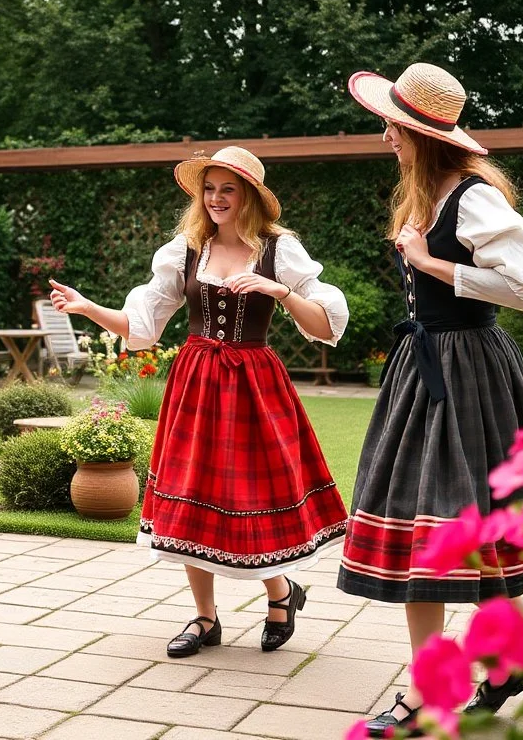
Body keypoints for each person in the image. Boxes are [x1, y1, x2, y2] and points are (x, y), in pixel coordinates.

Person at [336, 64, 523, 737]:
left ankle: (424, 699)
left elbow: (521, 289)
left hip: (467, 375)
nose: (385, 135)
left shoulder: (472, 199)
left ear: (422, 136)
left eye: (394, 126)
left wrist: (430, 262)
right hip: (425, 370)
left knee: (432, 539)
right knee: (448, 532)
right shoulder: (427, 196)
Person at [50, 146, 350, 657]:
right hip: (195, 383)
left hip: (255, 385)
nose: (215, 199)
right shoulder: (186, 250)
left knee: (252, 495)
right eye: (208, 189)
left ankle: (280, 594)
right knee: (191, 494)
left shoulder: (279, 251)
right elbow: (142, 328)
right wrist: (87, 307)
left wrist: (277, 291)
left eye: (227, 189)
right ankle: (205, 618)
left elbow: (325, 325)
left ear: (249, 196)